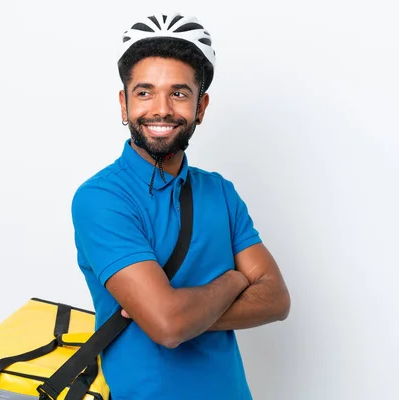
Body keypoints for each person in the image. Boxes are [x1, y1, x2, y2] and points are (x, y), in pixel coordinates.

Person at [71, 13, 291, 399]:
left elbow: (276, 300)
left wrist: (179, 312)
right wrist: (235, 280)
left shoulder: (220, 192)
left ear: (200, 107)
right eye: (144, 92)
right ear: (124, 104)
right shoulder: (101, 198)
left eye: (179, 92)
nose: (162, 108)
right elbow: (169, 326)